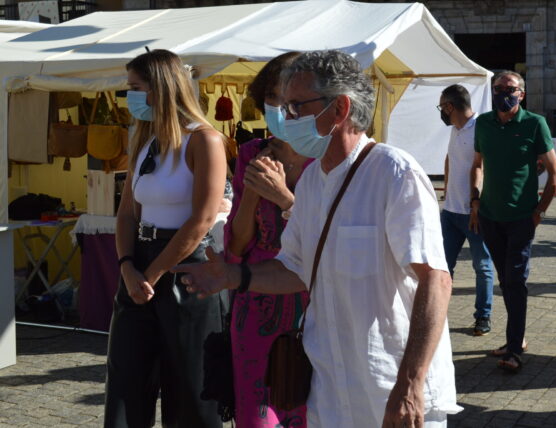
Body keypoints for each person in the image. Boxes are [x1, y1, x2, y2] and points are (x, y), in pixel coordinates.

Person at [175, 50, 461, 427]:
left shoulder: (394, 173)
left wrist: (410, 383)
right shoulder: (312, 182)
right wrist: (235, 276)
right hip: (328, 392)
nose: (285, 118)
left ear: (340, 108)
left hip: (388, 389)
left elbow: (435, 280)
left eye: (295, 107)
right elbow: (294, 268)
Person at [105, 49, 227, 428]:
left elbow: (203, 219)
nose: (130, 97)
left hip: (187, 269)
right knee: (126, 381)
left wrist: (154, 274)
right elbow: (126, 212)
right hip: (140, 263)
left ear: (160, 88)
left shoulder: (204, 140)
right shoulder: (144, 140)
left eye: (135, 87)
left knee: (190, 387)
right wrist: (128, 267)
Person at [224, 52, 311, 428]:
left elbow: (326, 236)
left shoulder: (326, 162)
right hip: (256, 305)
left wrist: (284, 197)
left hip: (313, 307)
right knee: (258, 418)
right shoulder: (250, 153)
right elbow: (236, 246)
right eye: (270, 100)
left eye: (287, 100)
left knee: (309, 413)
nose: (277, 109)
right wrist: (255, 193)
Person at [469, 71, 556, 373]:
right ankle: (515, 339)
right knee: (505, 280)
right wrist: (475, 200)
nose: (503, 93)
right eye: (498, 88)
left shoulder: (535, 123)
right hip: (489, 218)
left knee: (515, 281)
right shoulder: (483, 123)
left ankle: (514, 348)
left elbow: (554, 173)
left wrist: (540, 212)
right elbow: (477, 165)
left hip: (521, 219)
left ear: (521, 94)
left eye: (509, 89)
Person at [438, 84, 494, 336]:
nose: (441, 112)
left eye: (442, 106)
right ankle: (437, 314)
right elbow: (450, 158)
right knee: (441, 266)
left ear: (451, 106)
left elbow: (483, 168)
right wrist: (447, 188)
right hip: (450, 211)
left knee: (482, 267)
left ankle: (483, 316)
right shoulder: (455, 130)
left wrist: (476, 203)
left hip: (474, 212)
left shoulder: (481, 128)